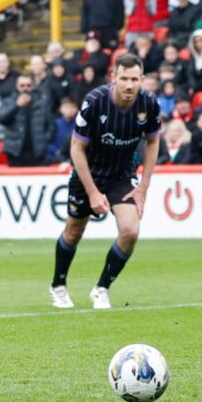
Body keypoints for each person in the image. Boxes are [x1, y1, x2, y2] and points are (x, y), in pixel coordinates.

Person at [49, 54, 161, 311]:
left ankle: (101, 288)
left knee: (130, 231)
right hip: (88, 173)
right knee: (74, 231)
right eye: (124, 79)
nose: (129, 85)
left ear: (142, 80)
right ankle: (58, 285)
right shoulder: (95, 102)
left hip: (122, 175)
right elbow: (76, 149)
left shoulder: (149, 104)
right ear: (114, 78)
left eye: (135, 79)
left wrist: (143, 186)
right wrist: (92, 193)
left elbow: (153, 142)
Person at [0, 74, 54, 166]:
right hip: (15, 152)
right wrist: (16, 106)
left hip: (37, 152)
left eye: (28, 85)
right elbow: (1, 119)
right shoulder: (8, 101)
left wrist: (44, 139)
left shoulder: (41, 103)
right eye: (22, 85)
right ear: (16, 86)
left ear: (32, 86)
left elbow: (51, 125)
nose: (25, 88)